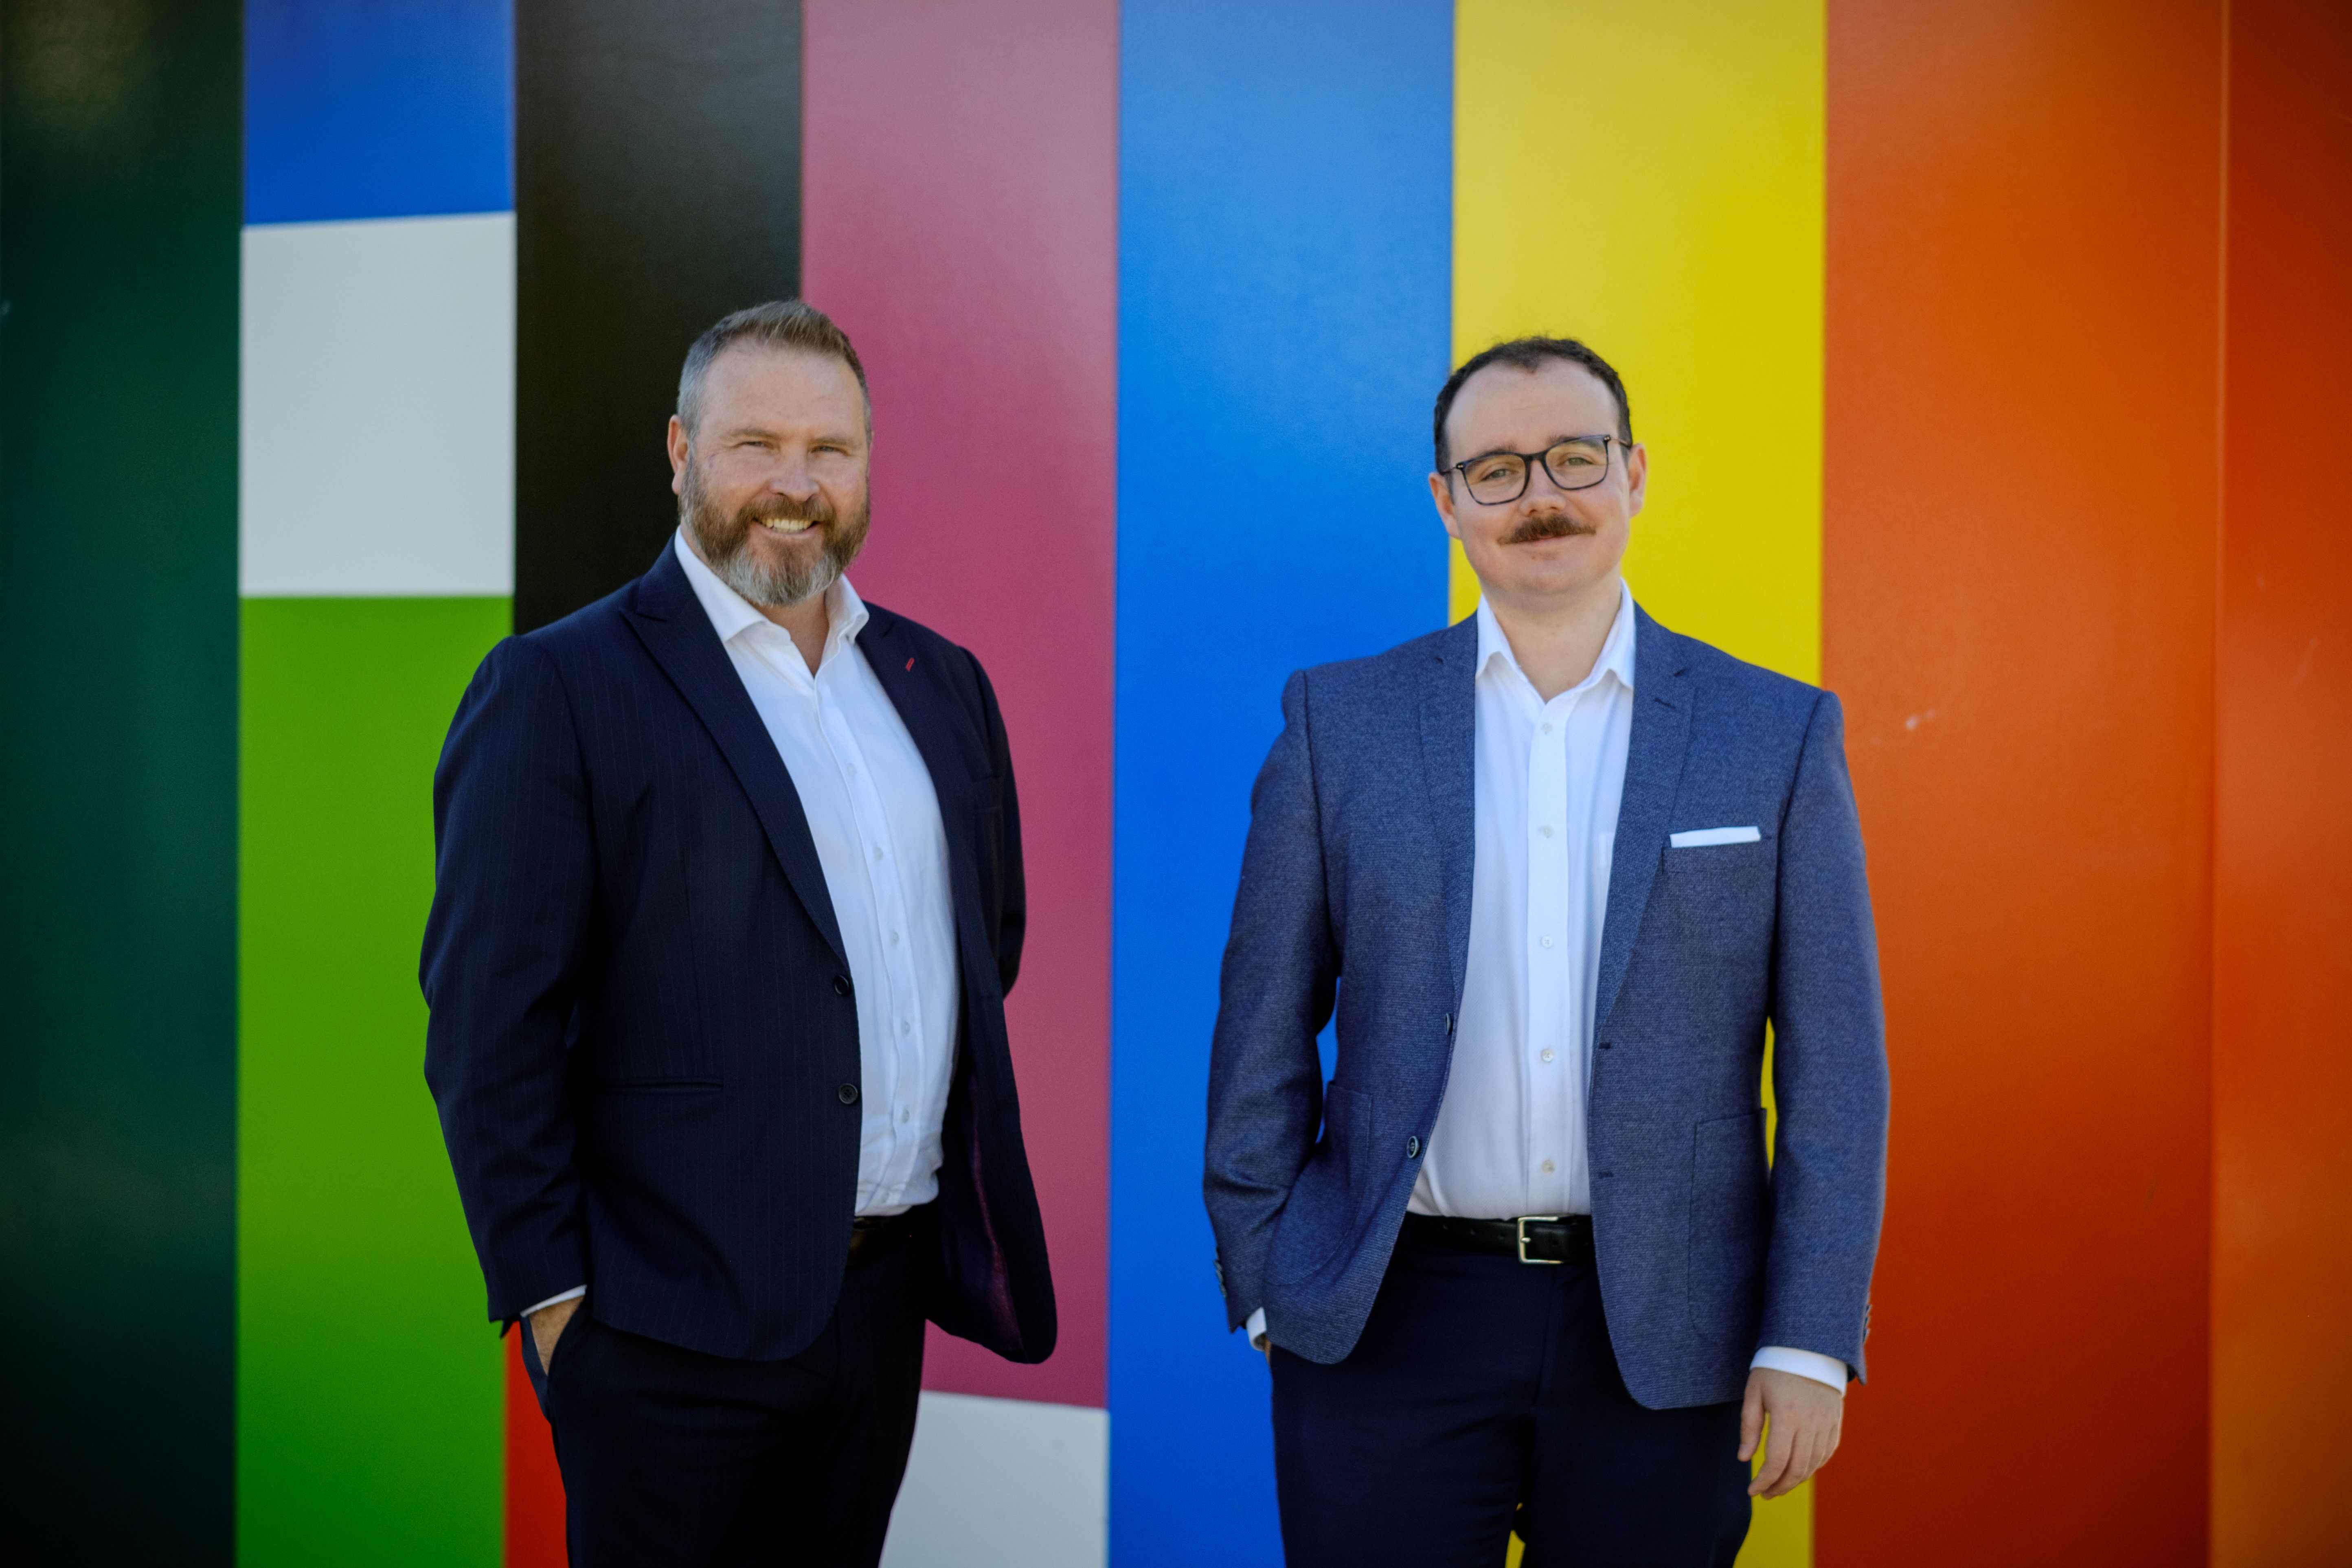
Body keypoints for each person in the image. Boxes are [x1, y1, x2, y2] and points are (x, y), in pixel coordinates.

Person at [1204, 336, 1888, 1566]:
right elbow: (1262, 1024)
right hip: (1389, 1316)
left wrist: (1808, 1335)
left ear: (1634, 474)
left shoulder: (1775, 733)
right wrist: (1267, 1277)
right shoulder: (1339, 723)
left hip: (1670, 1329)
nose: (1541, 497)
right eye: (1498, 470)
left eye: (1575, 457)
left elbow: (1837, 1068)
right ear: (1447, 501)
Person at [423, 300, 1055, 1566]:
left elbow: (985, 941)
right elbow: (491, 1027)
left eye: (831, 450)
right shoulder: (558, 687)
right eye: (756, 443)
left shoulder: (940, 682)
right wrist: (557, 1309)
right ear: (681, 450)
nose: (795, 484)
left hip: (877, 1308)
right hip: (659, 1332)